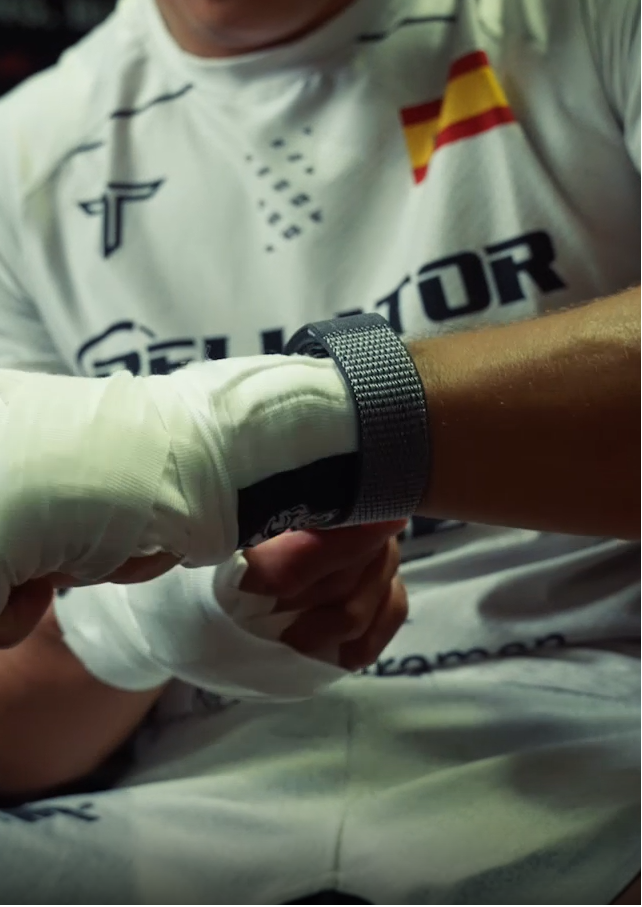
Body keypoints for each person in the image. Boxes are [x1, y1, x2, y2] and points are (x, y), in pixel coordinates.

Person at [0, 0, 640, 904]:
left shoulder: (585, 20)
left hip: (597, 727)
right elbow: (16, 735)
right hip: (189, 802)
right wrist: (144, 625)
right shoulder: (22, 155)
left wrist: (269, 442)